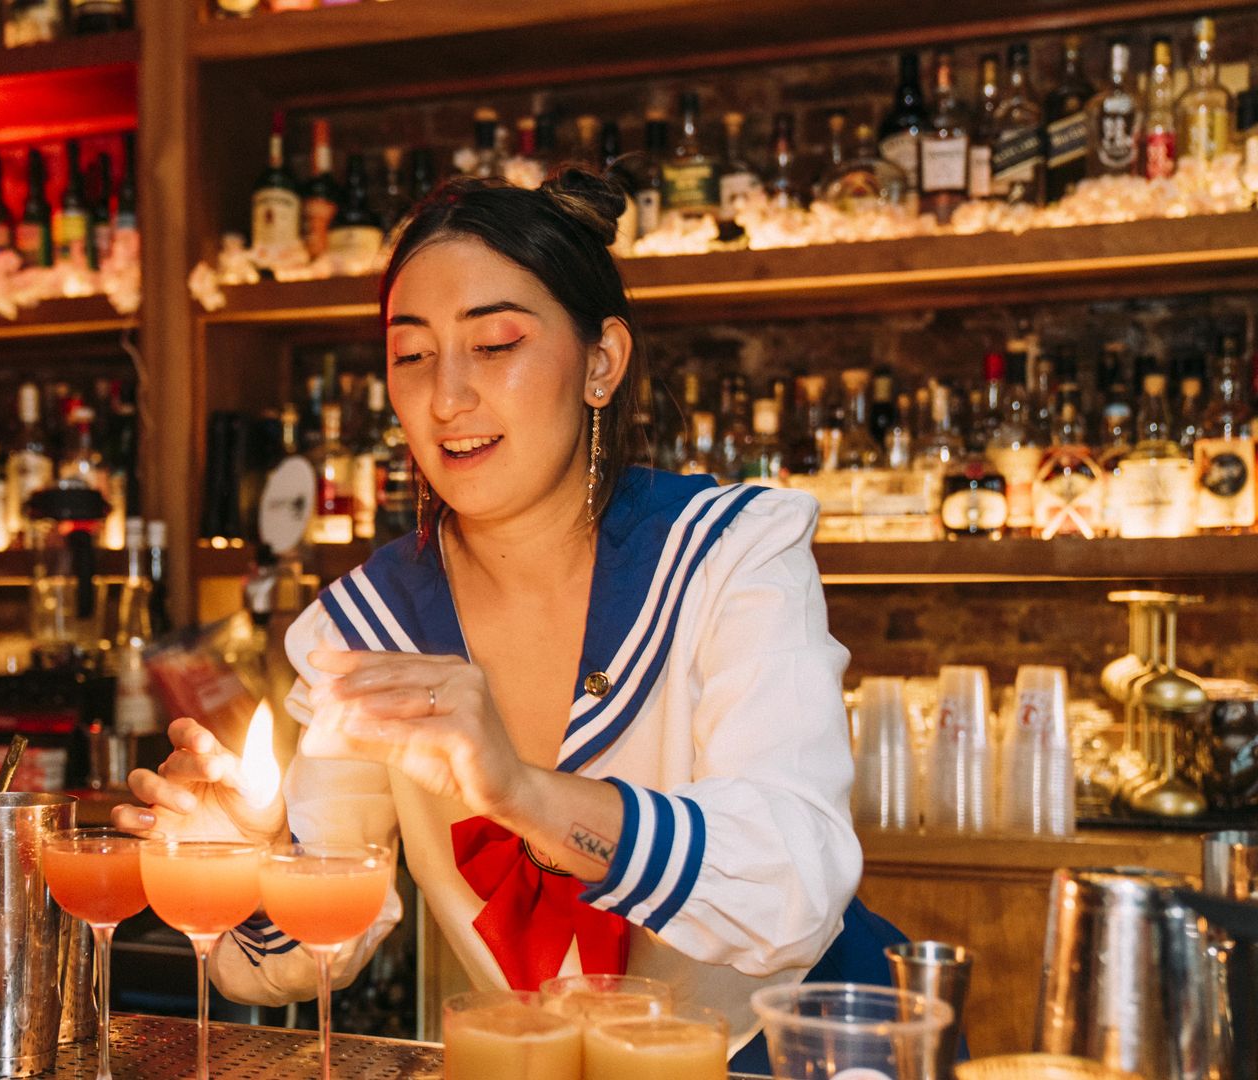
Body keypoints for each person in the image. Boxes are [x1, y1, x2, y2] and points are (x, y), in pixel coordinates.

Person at [113, 168, 904, 1068]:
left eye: (494, 344)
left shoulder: (727, 554)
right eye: (411, 357)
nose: (448, 397)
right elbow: (305, 960)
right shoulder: (368, 626)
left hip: (807, 1048)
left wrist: (522, 795)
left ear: (602, 361)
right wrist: (249, 857)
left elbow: (794, 879)